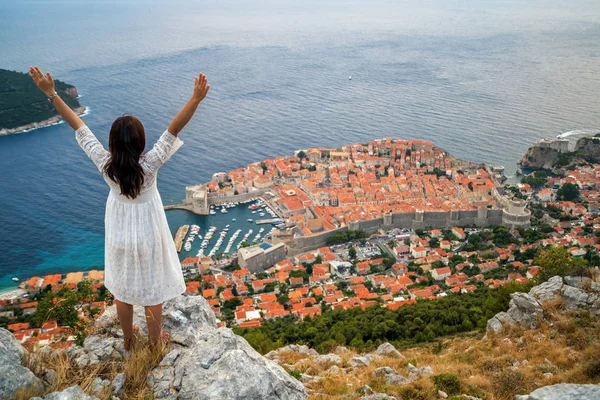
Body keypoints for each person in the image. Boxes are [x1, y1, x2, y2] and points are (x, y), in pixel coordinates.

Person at [29, 66, 210, 350]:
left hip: (119, 232)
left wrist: (51, 94)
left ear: (112, 143)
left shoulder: (105, 165)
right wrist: (196, 100)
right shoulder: (149, 166)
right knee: (152, 292)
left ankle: (128, 342)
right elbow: (174, 129)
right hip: (148, 232)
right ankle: (153, 342)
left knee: (122, 290)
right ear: (141, 142)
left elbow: (79, 127)